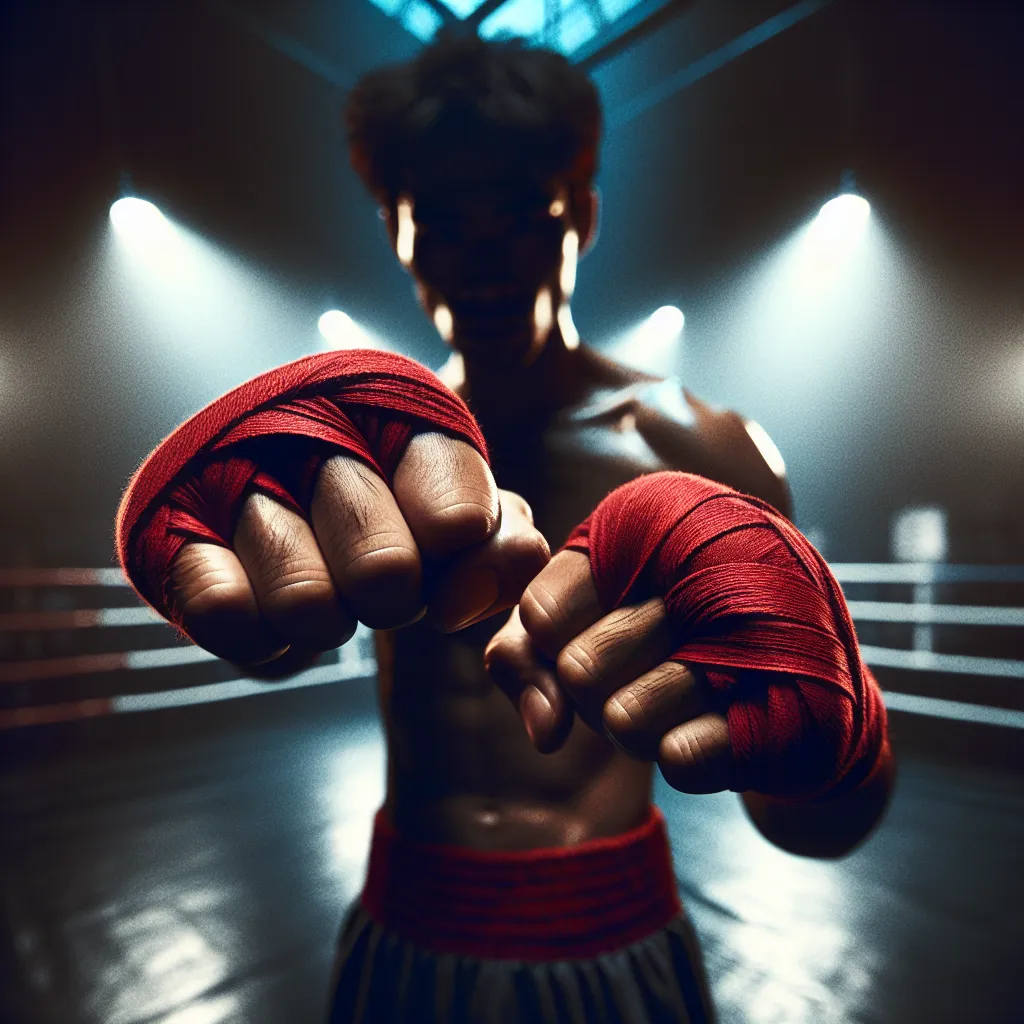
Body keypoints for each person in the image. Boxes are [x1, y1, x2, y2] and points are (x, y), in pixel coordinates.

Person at [120, 31, 895, 1023]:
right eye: (438, 222)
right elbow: (274, 644)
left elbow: (823, 821)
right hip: (407, 915)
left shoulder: (705, 451)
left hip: (609, 922)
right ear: (396, 235)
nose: (478, 259)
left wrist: (840, 734)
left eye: (517, 217)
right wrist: (221, 543)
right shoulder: (359, 451)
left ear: (581, 214)